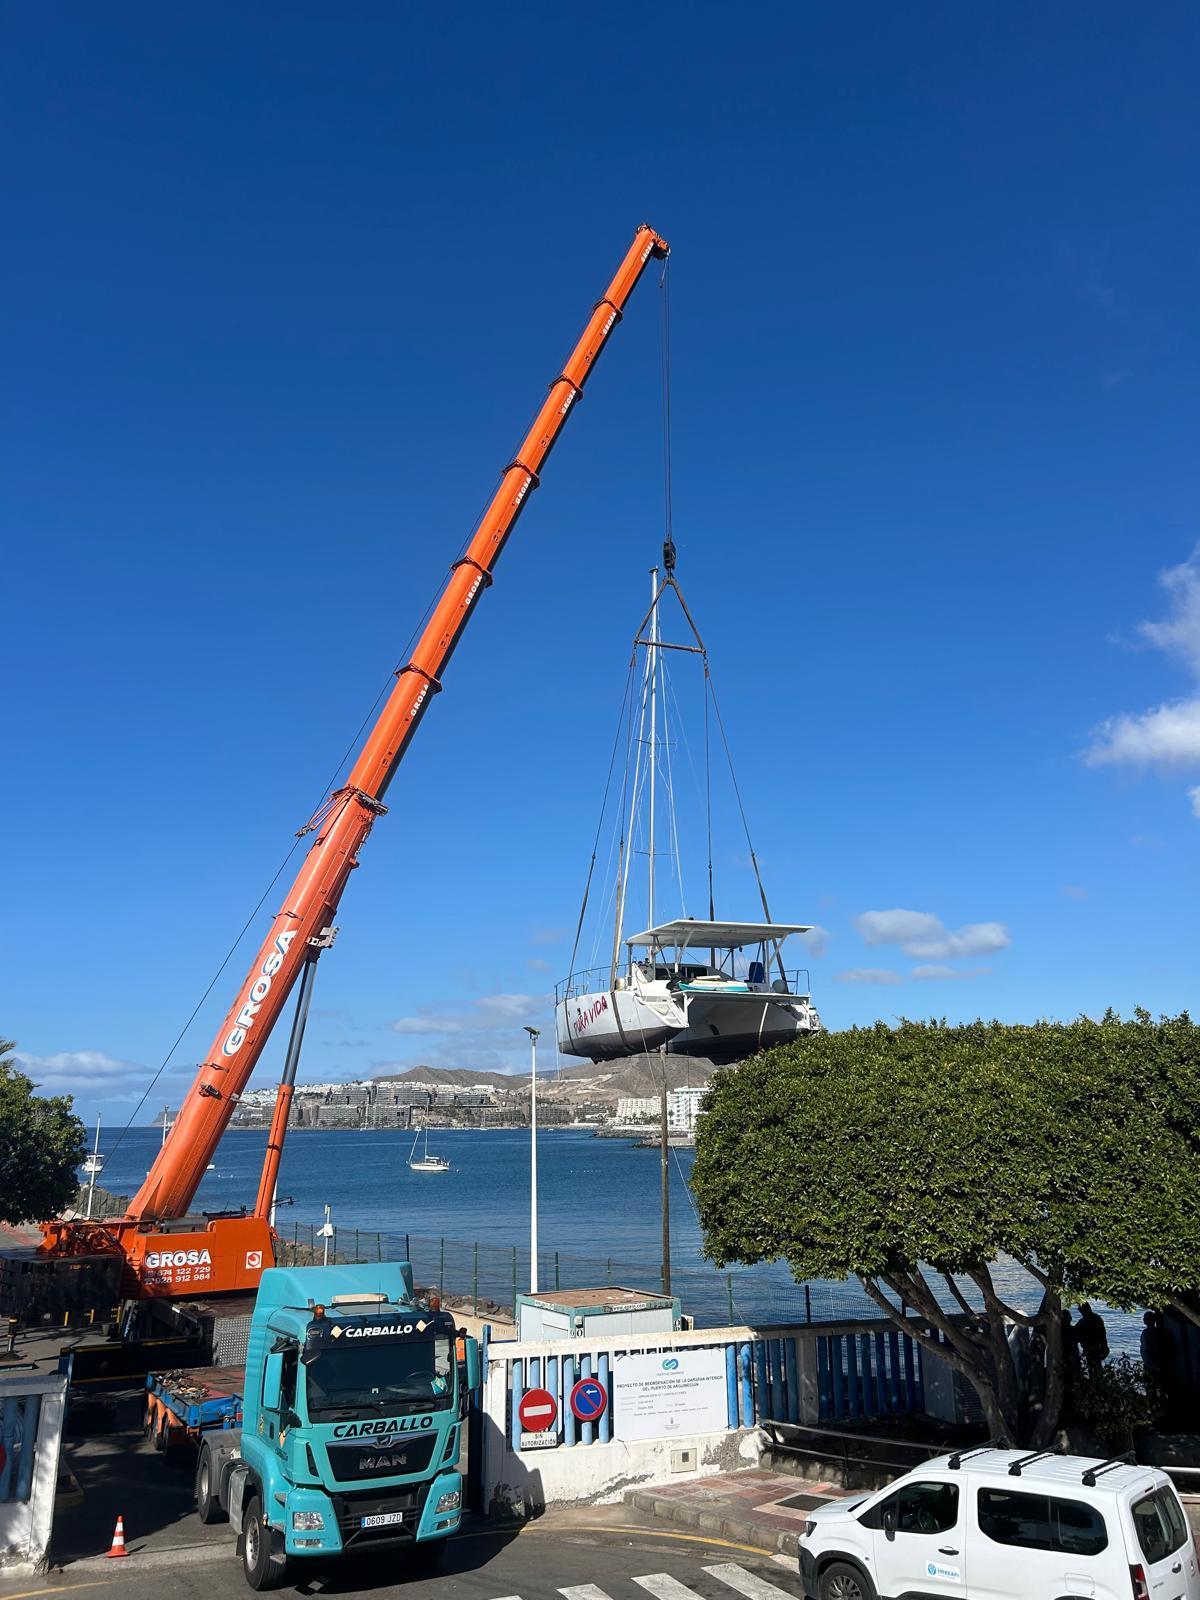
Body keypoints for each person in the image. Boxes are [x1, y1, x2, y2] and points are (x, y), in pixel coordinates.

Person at [1075, 1303, 1110, 1376]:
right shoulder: (1096, 1318)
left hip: (1093, 1350)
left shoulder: (1085, 1321)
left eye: (1081, 1310)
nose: (1080, 1312)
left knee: (1094, 1369)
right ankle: (1098, 1382)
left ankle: (1096, 1383)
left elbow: (1075, 1333)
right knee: (1096, 1368)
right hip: (1097, 1349)